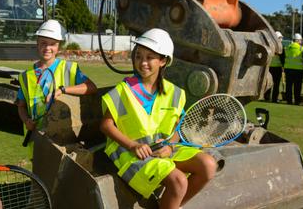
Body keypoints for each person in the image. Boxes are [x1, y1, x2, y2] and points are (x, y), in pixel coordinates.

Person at [99, 28, 217, 209]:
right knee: (179, 181)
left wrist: (170, 146)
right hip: (132, 155)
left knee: (208, 165)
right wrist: (133, 145)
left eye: (149, 57)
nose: (142, 63)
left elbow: (178, 126)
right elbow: (106, 125)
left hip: (163, 151)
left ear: (163, 61)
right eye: (138, 56)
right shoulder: (124, 90)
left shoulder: (175, 93)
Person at [16, 19, 98, 157]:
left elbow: (91, 87)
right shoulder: (25, 76)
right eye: (43, 43)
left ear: (58, 46)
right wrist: (26, 121)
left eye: (52, 44)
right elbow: (21, 106)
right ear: (37, 43)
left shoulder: (69, 68)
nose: (47, 48)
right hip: (37, 139)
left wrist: (62, 90)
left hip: (63, 140)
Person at [282, 33, 303, 105]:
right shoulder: (302, 48)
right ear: (298, 40)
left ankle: (289, 100)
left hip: (288, 69)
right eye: (300, 40)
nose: (301, 41)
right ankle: (297, 101)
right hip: (298, 70)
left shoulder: (287, 48)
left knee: (288, 86)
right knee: (297, 86)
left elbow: (283, 57)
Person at [264, 31, 284, 103]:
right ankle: (274, 98)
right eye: (280, 38)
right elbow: (282, 58)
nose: (281, 39)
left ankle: (267, 97)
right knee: (276, 84)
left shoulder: (270, 45)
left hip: (269, 67)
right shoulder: (280, 46)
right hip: (277, 67)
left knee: (269, 82)